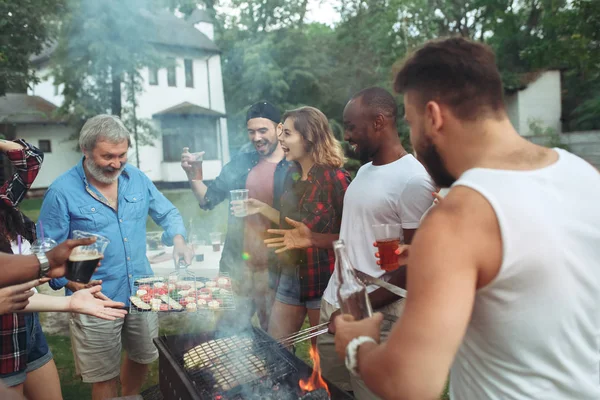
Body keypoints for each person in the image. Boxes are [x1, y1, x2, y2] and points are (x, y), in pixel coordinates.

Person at [334, 37, 600, 400]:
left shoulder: (457, 217)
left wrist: (357, 342)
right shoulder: (584, 174)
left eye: (411, 123)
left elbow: (407, 383)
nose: (412, 139)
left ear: (433, 116)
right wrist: (445, 262)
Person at [267, 88, 435, 399]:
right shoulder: (366, 173)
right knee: (336, 392)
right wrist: (313, 239)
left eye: (352, 126)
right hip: (337, 303)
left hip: (375, 317)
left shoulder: (413, 180)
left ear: (379, 122)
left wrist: (356, 309)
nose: (346, 136)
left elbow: (415, 268)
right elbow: (352, 239)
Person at [40, 114, 192, 400]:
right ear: (85, 150)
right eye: (107, 156)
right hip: (95, 297)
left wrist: (179, 239)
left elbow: (168, 212)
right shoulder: (61, 192)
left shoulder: (137, 179)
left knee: (145, 355)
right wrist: (72, 285)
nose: (116, 163)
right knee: (104, 375)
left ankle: (131, 396)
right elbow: (46, 252)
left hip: (142, 289)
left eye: (122, 155)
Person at [238, 106, 350, 345]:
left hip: (323, 279)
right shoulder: (291, 174)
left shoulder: (336, 178)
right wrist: (260, 207)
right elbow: (290, 223)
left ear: (308, 137)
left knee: (322, 356)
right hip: (290, 275)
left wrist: (315, 239)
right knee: (276, 348)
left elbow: (350, 236)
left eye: (287, 134)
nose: (281, 140)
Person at [181, 101, 291, 331]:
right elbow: (207, 200)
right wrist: (193, 176)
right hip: (237, 267)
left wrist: (261, 207)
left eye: (263, 130)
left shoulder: (293, 166)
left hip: (276, 270)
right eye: (251, 131)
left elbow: (299, 223)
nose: (256, 137)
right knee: (227, 334)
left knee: (275, 342)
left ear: (279, 129)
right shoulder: (242, 163)